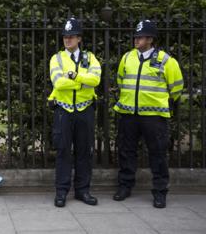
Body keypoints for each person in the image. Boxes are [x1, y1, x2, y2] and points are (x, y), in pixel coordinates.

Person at [113, 20, 183, 208]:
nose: (136, 39)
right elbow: (120, 80)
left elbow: (176, 88)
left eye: (141, 36)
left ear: (150, 39)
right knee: (126, 152)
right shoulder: (128, 57)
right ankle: (125, 186)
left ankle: (160, 192)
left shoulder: (166, 60)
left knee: (158, 154)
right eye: (136, 36)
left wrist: (159, 102)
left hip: (154, 116)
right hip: (129, 113)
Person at [48, 17, 102, 207]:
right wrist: (82, 82)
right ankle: (61, 192)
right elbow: (58, 82)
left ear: (79, 38)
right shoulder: (57, 58)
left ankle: (83, 191)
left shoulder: (90, 58)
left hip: (85, 110)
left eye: (71, 37)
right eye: (65, 37)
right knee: (63, 151)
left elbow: (96, 80)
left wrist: (75, 76)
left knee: (84, 152)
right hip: (63, 110)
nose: (67, 40)